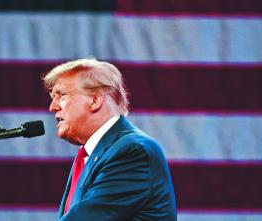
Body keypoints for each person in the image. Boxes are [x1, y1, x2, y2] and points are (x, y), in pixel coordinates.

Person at [43, 58, 177, 220]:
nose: (53, 106)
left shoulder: (132, 151)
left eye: (62, 95)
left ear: (95, 100)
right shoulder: (91, 155)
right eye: (53, 96)